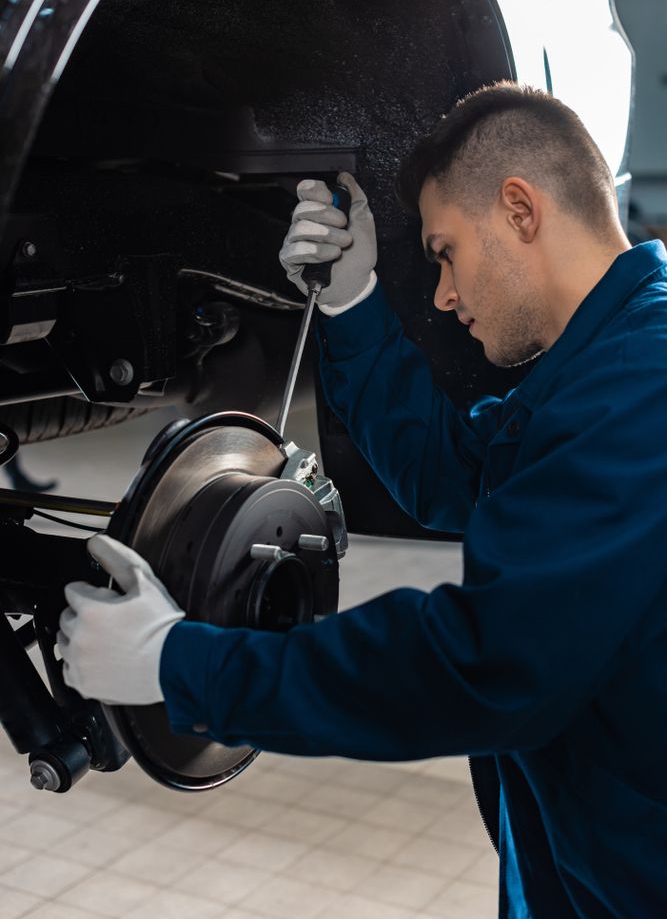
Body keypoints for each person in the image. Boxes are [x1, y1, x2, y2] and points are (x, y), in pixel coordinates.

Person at [58, 82, 667, 917]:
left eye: (445, 250)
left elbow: (481, 666)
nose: (445, 297)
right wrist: (351, 299)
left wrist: (181, 664)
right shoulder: (602, 373)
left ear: (520, 210)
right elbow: (448, 467)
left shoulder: (645, 386)